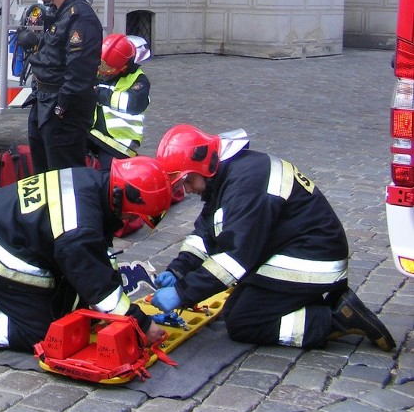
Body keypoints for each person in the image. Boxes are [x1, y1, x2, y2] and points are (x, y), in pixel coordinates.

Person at [151, 124, 396, 352]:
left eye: (188, 181)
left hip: (313, 262)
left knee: (243, 321)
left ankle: (336, 319)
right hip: (302, 250)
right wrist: (178, 270)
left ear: (205, 166)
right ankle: (320, 305)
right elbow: (206, 233)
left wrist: (182, 293)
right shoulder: (233, 175)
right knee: (236, 308)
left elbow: (233, 260)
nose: (189, 190)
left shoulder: (244, 187)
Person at [0, 156, 173, 351]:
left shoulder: (95, 185)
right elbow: (98, 286)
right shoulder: (80, 227)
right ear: (123, 200)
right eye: (133, 215)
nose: (130, 221)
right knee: (47, 335)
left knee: (72, 304)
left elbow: (99, 259)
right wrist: (142, 325)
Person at [19, 0, 102, 173]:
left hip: (61, 113)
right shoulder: (59, 12)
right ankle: (47, 209)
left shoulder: (80, 17)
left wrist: (59, 110)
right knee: (43, 177)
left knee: (64, 179)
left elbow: (79, 76)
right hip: (44, 104)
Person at [88, 33, 151, 168]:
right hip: (95, 135)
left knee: (109, 177)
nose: (103, 73)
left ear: (124, 66)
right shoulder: (101, 70)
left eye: (108, 69)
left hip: (121, 143)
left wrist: (98, 93)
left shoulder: (139, 80)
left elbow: (134, 104)